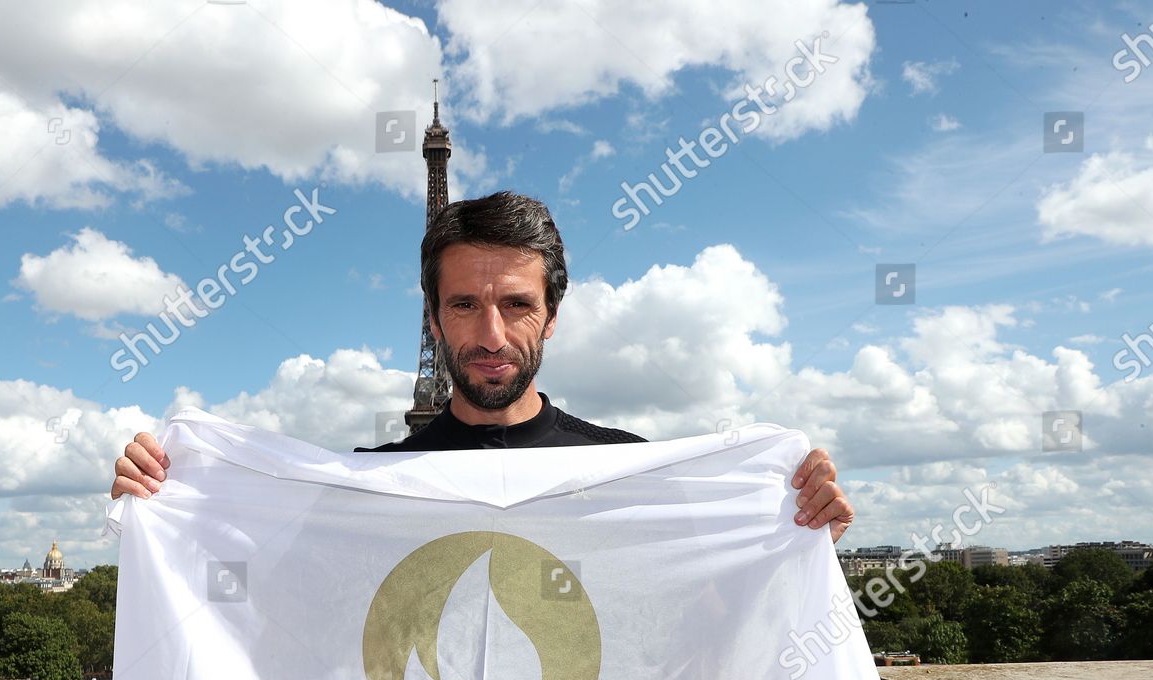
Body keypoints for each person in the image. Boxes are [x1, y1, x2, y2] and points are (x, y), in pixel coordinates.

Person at [111, 191, 853, 541]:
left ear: (552, 318)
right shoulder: (364, 490)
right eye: (463, 306)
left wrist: (793, 526)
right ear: (432, 322)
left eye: (517, 306)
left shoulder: (638, 473)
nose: (489, 334)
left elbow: (725, 628)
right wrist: (177, 496)